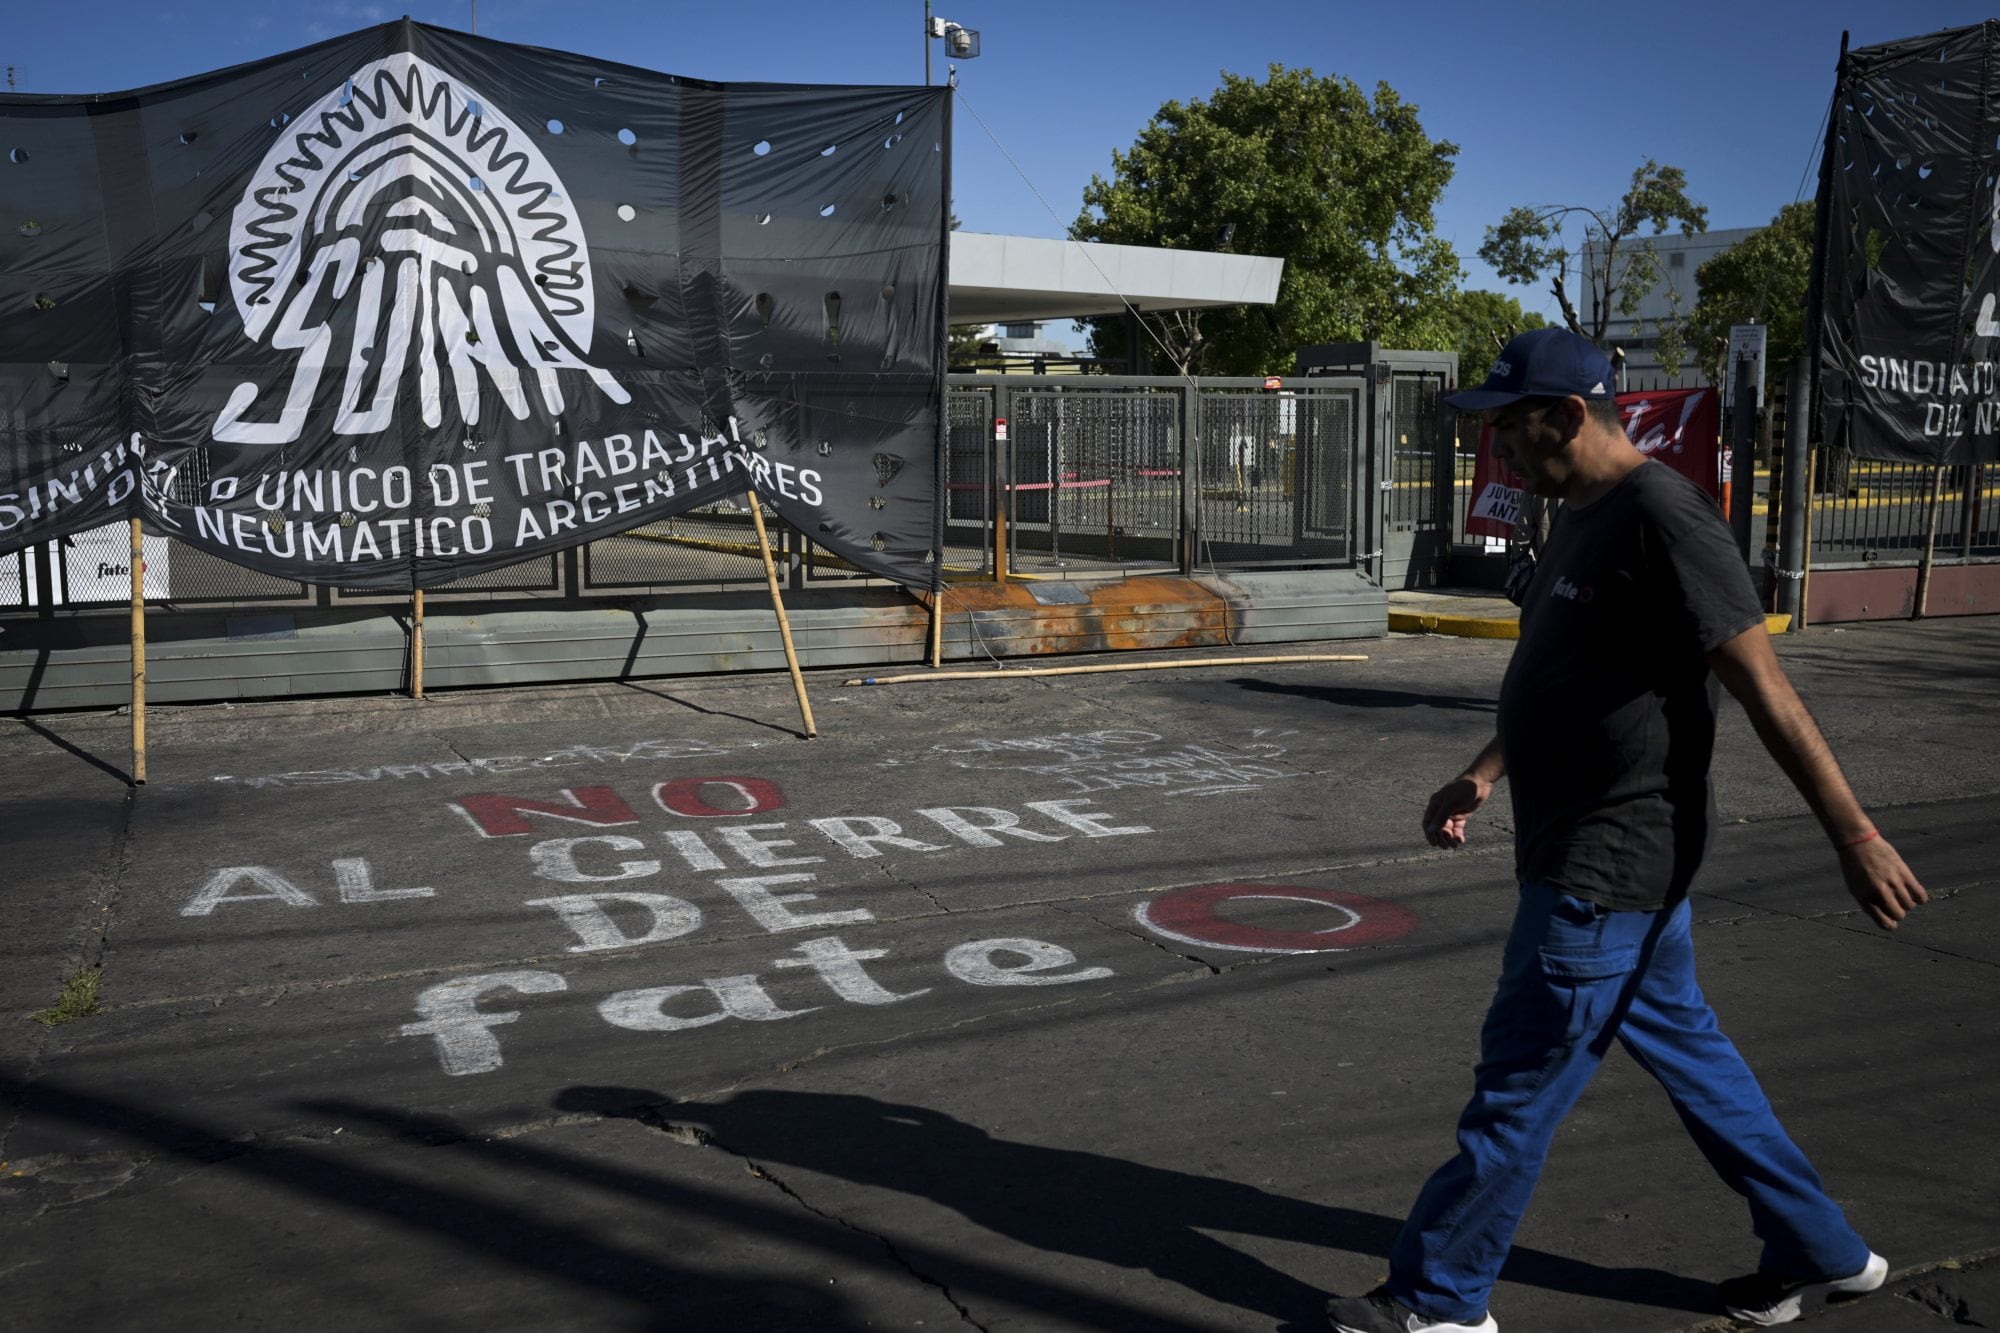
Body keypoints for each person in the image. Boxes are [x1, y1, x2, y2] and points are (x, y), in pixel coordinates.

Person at [1325, 328, 1929, 1333]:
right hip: (1604, 863)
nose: (1494, 449)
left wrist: (1855, 837)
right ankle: (1822, 1252)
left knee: (1517, 1088)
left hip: (1605, 865)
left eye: (1507, 427)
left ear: (1567, 415)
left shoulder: (1664, 518)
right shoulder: (1577, 513)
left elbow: (1766, 690)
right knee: (1699, 1063)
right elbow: (1573, 676)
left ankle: (1439, 1301)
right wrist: (1484, 771)